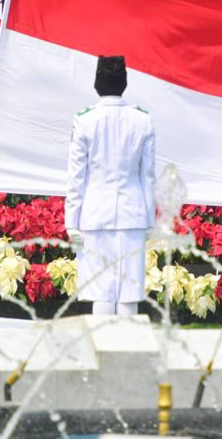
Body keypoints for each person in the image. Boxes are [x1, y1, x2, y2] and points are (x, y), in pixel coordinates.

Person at [65, 56, 156, 317]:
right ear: (124, 82)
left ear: (97, 82)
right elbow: (147, 176)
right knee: (129, 292)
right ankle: (129, 353)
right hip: (133, 213)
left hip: (95, 214)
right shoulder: (142, 120)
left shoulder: (84, 119)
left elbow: (76, 177)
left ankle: (102, 353)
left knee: (100, 291)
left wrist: (72, 221)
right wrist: (149, 220)